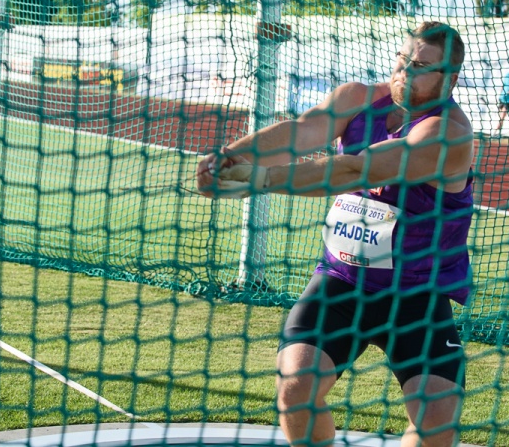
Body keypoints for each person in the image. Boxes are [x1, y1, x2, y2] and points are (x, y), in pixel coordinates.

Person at [197, 22, 473, 447]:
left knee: (436, 421)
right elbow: (301, 131)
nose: (405, 73)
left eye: (421, 67)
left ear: (449, 78)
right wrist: (231, 159)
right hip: (341, 283)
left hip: (417, 296)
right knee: (296, 387)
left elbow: (357, 168)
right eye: (403, 60)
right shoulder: (357, 99)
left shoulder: (447, 134)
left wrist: (260, 179)